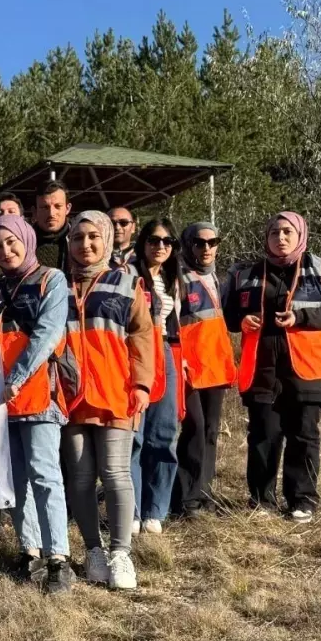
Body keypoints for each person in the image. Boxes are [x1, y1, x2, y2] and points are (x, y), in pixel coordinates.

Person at [224, 212, 321, 522]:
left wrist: (301, 318)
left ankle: (302, 500)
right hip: (262, 370)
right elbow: (227, 315)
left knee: (303, 436)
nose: (280, 237)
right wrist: (241, 320)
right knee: (263, 436)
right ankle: (261, 501)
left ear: (300, 235)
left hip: (307, 370)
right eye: (274, 232)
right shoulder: (247, 274)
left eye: (287, 232)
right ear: (266, 238)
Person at [60, 211, 154, 590]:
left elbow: (143, 336)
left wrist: (142, 384)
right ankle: (93, 550)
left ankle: (121, 552)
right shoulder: (56, 285)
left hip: (116, 393)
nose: (85, 245)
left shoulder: (126, 284)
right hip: (70, 396)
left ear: (107, 240)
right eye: (78, 238)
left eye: (93, 237)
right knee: (80, 479)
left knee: (115, 474)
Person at [0, 215, 73, 593]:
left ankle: (59, 556)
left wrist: (17, 379)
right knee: (16, 479)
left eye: (11, 243)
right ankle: (30, 551)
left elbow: (47, 334)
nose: (6, 251)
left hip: (37, 393)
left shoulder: (50, 279)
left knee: (44, 475)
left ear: (27, 239)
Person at [174, 221, 235, 516]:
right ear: (188, 244)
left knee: (210, 430)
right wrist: (178, 361)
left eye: (212, 242)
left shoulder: (219, 280)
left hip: (214, 365)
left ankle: (202, 492)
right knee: (194, 429)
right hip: (188, 367)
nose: (207, 248)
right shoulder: (178, 277)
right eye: (199, 242)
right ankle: (186, 498)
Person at [129, 219, 184, 536]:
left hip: (166, 352)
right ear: (142, 243)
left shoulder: (174, 279)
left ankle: (155, 510)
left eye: (168, 241)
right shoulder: (128, 274)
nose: (160, 246)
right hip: (135, 351)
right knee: (134, 436)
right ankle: (132, 510)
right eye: (153, 240)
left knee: (163, 435)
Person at [33, 180, 72, 271]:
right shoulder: (22, 243)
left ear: (67, 208)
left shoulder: (80, 241)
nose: (51, 213)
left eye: (58, 206)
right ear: (34, 211)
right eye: (45, 207)